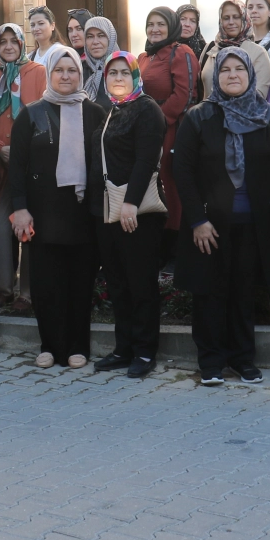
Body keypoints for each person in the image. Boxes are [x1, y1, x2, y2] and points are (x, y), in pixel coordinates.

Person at [173, 48, 270, 386]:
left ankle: (242, 359)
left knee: (243, 291)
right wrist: (196, 220)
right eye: (226, 70)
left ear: (251, 74)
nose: (233, 75)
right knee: (209, 292)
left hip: (253, 224)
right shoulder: (198, 117)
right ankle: (210, 361)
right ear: (215, 76)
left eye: (240, 69)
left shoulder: (268, 116)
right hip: (209, 225)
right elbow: (183, 172)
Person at [5, 45, 100, 368]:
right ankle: (49, 345)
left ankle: (77, 347)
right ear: (49, 73)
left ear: (80, 74)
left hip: (84, 214)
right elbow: (16, 167)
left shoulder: (96, 113)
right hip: (42, 214)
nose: (65, 75)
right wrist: (20, 208)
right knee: (46, 284)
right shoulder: (31, 114)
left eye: (71, 70)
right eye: (59, 70)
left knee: (79, 283)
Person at [88, 52, 167, 378]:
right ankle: (124, 349)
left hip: (136, 211)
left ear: (135, 76)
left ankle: (145, 352)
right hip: (108, 211)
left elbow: (146, 160)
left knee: (140, 283)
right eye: (113, 73)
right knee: (118, 283)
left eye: (124, 72)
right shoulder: (110, 111)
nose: (118, 78)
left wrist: (131, 202)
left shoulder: (147, 108)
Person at [0, 24, 45, 305]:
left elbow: (42, 116)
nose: (7, 46)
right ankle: (2, 288)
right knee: (0, 229)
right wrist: (1, 150)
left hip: (29, 164)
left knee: (27, 227)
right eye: (1, 42)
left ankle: (27, 292)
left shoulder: (38, 73)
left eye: (12, 41)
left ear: (21, 43)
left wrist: (18, 152)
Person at [138, 5, 197, 232]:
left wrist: (157, 123)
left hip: (170, 129)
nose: (155, 29)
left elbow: (184, 95)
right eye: (150, 24)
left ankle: (175, 235)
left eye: (161, 24)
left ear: (171, 26)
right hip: (146, 129)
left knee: (169, 179)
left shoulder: (181, 52)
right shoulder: (144, 56)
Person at [200, 0, 270, 102]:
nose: (231, 22)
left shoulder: (258, 53)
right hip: (208, 116)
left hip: (243, 117)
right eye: (226, 18)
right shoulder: (210, 49)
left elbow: (259, 96)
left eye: (236, 17)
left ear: (244, 18)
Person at [81, 16, 118, 106]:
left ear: (111, 38)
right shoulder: (78, 70)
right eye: (90, 37)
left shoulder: (124, 68)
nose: (95, 42)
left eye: (101, 36)